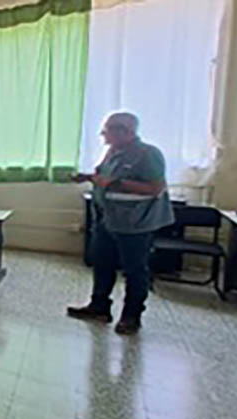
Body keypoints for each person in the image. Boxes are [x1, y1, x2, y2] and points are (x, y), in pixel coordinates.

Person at [67, 112, 173, 335]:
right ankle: (99, 306)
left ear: (124, 131)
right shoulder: (112, 152)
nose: (103, 135)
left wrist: (116, 183)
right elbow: (104, 177)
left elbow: (156, 188)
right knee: (102, 263)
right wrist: (88, 177)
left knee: (134, 270)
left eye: (107, 131)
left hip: (135, 223)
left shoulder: (148, 154)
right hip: (107, 218)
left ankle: (131, 316)